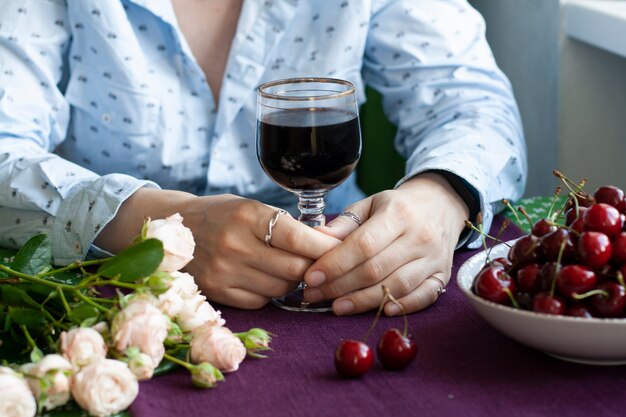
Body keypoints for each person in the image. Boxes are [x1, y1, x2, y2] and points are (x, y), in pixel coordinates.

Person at [0, 0, 526, 316]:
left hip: (347, 285)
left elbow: (470, 102)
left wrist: (440, 196)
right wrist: (149, 225)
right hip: (108, 301)